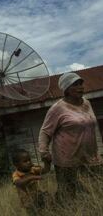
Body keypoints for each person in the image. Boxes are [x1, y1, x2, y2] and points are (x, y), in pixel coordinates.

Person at [38, 72, 102, 202]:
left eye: (81, 83)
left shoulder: (87, 103)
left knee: (96, 189)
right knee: (68, 194)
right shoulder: (57, 108)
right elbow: (45, 132)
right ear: (66, 89)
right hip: (66, 159)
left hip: (90, 156)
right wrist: (44, 152)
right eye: (75, 84)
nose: (81, 87)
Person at [12, 148, 51, 215]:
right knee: (32, 213)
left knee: (46, 200)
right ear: (16, 164)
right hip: (27, 201)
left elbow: (45, 171)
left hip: (37, 196)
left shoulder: (32, 169)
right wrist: (32, 177)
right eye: (25, 161)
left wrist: (47, 162)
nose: (29, 162)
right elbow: (19, 183)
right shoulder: (16, 174)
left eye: (29, 160)